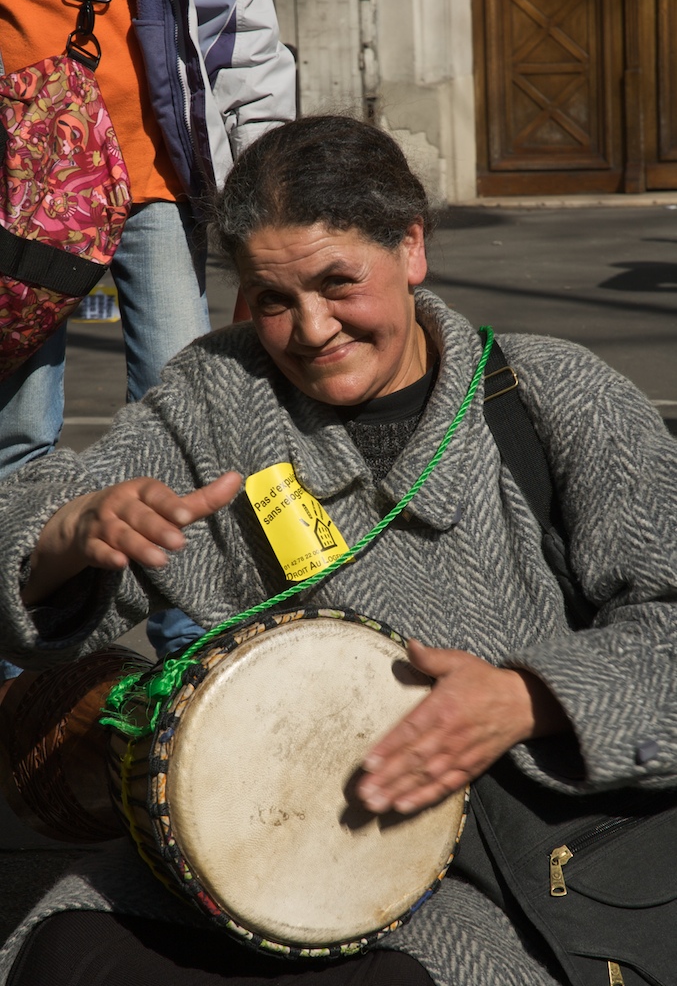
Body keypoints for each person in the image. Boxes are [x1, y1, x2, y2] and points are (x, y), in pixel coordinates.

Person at [0, 115, 676, 986]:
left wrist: (528, 698)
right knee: (67, 960)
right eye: (272, 298)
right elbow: (34, 539)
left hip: (518, 851)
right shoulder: (217, 394)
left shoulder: (554, 396)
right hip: (255, 835)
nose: (311, 329)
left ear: (412, 248)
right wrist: (67, 537)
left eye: (338, 283)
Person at [0, 0, 296, 673]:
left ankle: (191, 650)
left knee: (189, 421)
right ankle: (23, 667)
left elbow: (243, 39)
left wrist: (269, 209)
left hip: (155, 180)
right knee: (20, 433)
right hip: (22, 188)